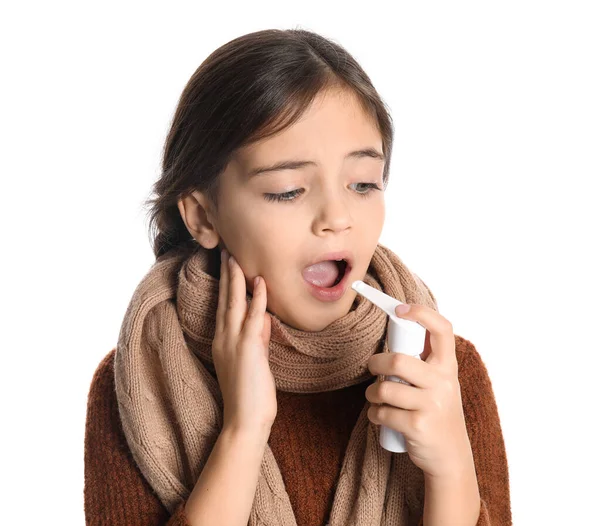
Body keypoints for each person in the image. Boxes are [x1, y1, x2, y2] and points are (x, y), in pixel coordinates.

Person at [84, 28, 512, 526]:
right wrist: (242, 432)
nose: (337, 216)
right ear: (202, 216)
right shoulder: (138, 382)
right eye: (288, 190)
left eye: (363, 183)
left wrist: (451, 472)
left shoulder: (444, 375)